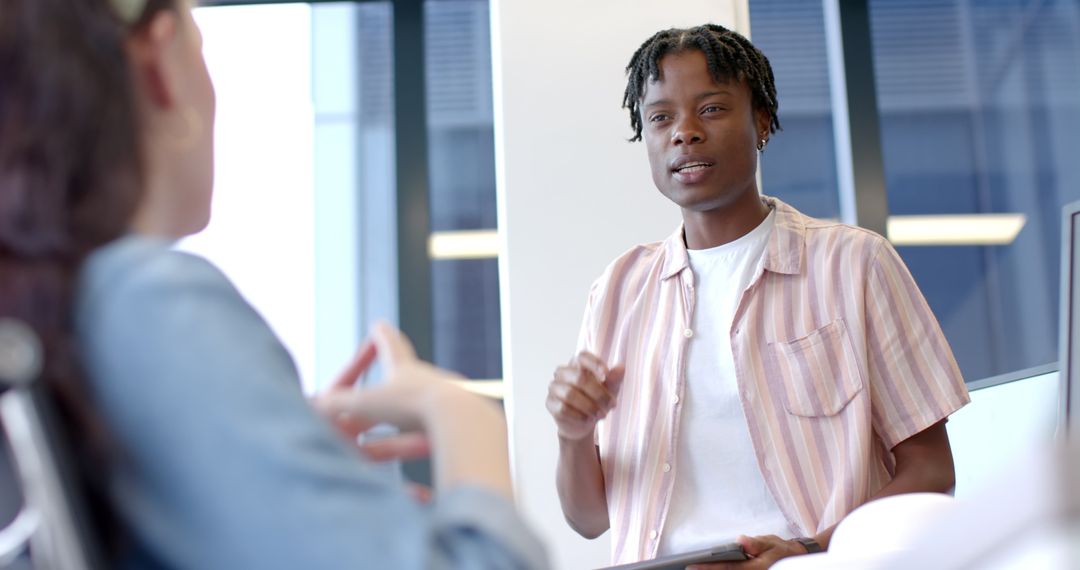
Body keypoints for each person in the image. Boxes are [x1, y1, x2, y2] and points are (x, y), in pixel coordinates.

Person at [0, 0, 546, 568]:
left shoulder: (53, 314)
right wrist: (456, 408)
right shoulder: (141, 302)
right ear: (160, 57)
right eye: (202, 50)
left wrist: (277, 461)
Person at [545, 24, 970, 569]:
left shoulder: (853, 263)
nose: (685, 133)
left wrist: (809, 550)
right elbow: (589, 518)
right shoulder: (618, 290)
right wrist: (572, 434)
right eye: (660, 118)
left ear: (761, 122)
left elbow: (932, 474)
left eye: (713, 109)